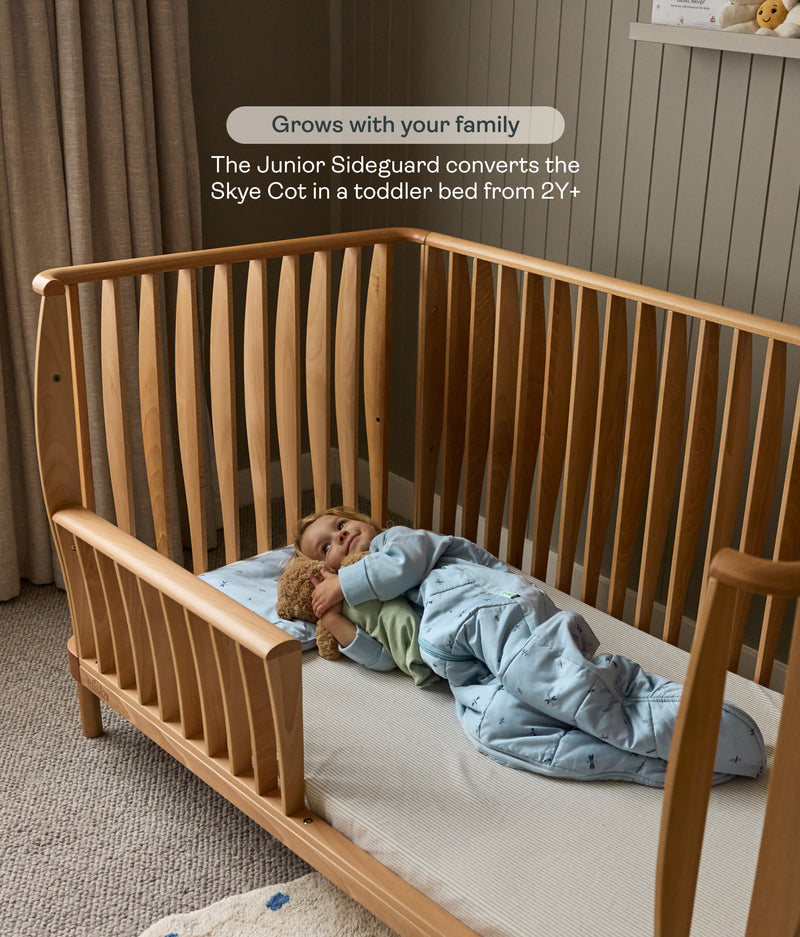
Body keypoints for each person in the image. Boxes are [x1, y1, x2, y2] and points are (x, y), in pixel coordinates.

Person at [295, 506, 766, 787]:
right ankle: (642, 759)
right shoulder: (378, 602)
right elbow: (387, 656)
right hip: (467, 664)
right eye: (325, 548)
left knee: (549, 677)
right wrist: (335, 618)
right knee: (492, 728)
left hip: (491, 610)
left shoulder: (396, 545)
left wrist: (347, 583)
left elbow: (405, 562)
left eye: (340, 523)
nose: (339, 536)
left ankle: (648, 709)